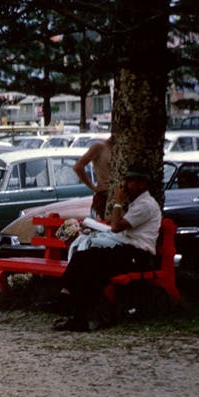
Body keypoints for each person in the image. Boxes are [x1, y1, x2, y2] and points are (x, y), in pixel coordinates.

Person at [53, 170, 162, 331]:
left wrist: (118, 202)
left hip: (138, 256)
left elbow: (116, 227)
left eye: (130, 182)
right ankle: (69, 301)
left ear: (142, 184)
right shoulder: (137, 203)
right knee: (83, 258)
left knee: (91, 264)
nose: (125, 186)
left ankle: (71, 306)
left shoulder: (146, 205)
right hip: (126, 251)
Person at [72, 135, 114, 217]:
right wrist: (93, 187)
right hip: (104, 195)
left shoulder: (122, 150)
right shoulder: (100, 147)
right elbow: (78, 166)